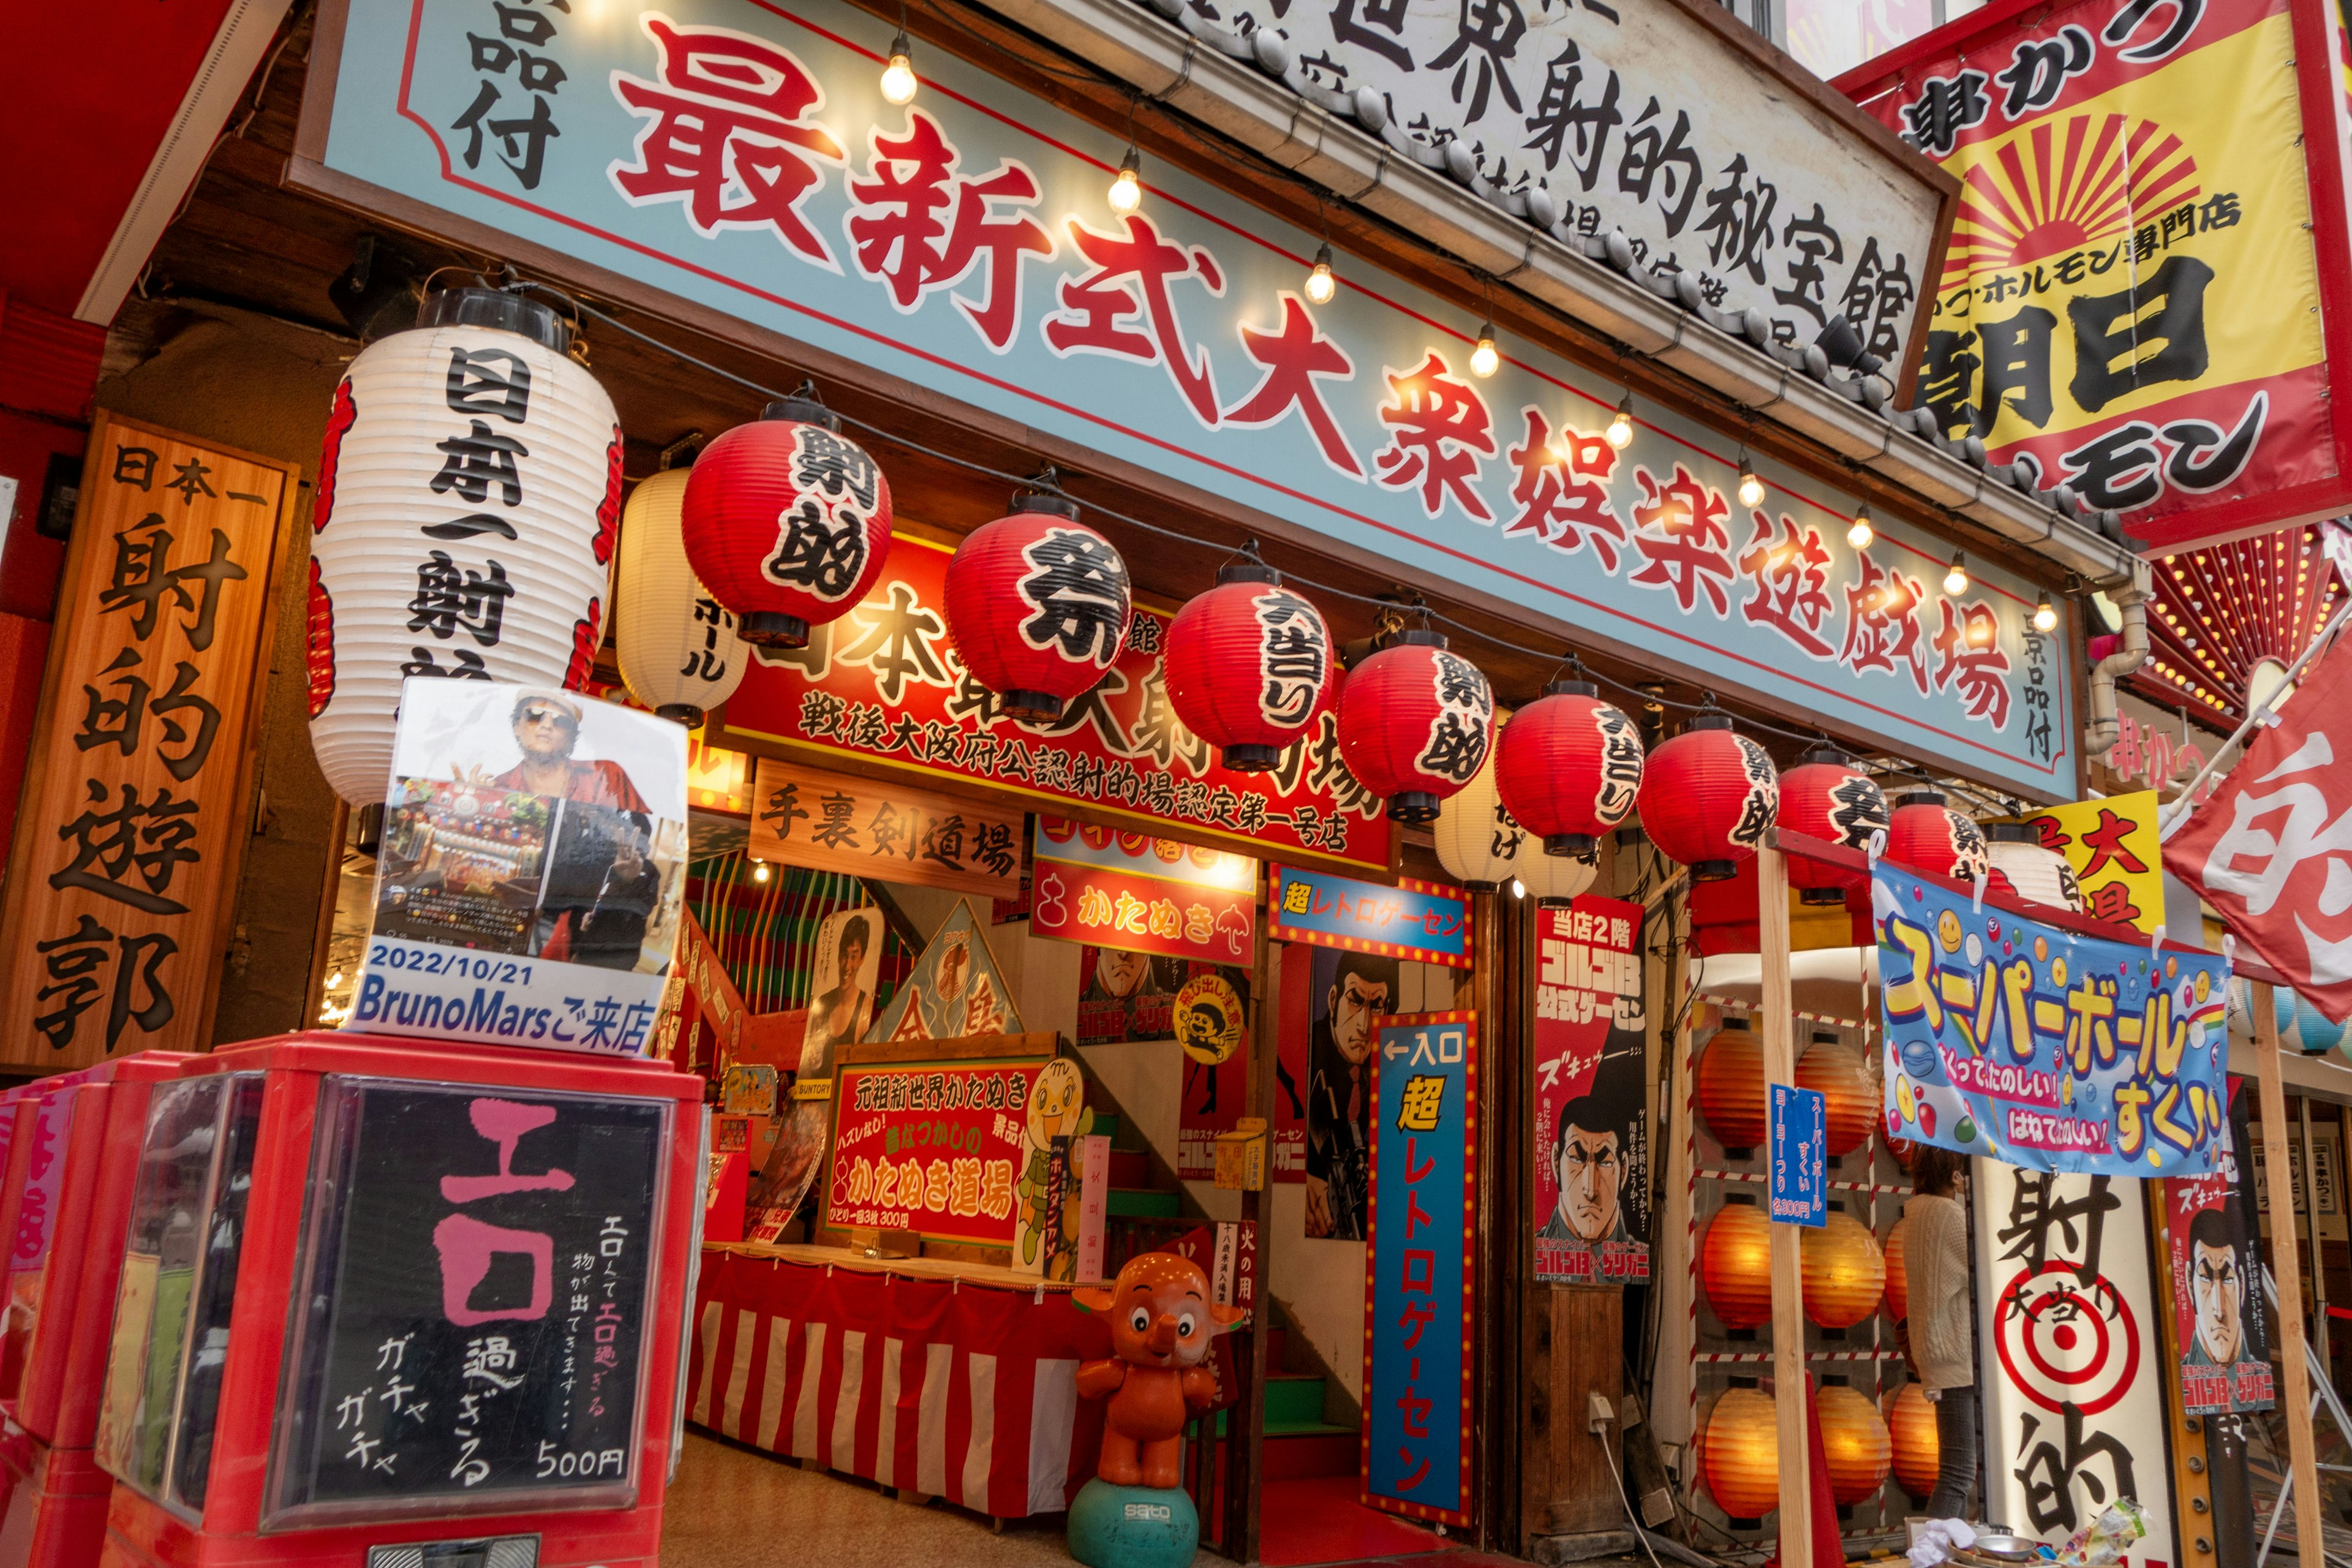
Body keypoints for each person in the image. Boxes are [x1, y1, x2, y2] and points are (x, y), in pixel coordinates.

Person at [1904, 1146, 1978, 1521]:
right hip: (1955, 1353)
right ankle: (1929, 1559)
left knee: (1955, 1471)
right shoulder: (1951, 1216)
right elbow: (1985, 1270)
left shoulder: (1917, 1214)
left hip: (1934, 1351)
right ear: (1955, 1175)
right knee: (1958, 1474)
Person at [1304, 951, 1393, 1240]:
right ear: (1333, 1000)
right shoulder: (1305, 1051)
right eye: (1355, 1001)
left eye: (1376, 1007)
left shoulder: (1389, 1065)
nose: (1365, 1026)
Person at [491, 693, 649, 811]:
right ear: (516, 727)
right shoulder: (498, 787)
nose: (546, 725)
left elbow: (649, 839)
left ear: (571, 735)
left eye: (561, 721)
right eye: (534, 715)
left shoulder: (606, 775)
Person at [1537, 1094, 1629, 1276]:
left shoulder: (1636, 1261)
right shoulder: (1531, 1256)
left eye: (1605, 1163)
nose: (1590, 1190)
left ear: (1624, 1170)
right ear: (1556, 1162)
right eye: (1576, 1159)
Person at [573, 817, 662, 970]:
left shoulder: (648, 870)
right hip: (590, 946)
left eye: (619, 830)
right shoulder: (607, 861)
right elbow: (596, 898)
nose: (613, 835)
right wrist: (591, 915)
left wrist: (629, 880)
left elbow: (646, 906)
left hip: (619, 955)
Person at [800, 914, 875, 1078]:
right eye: (844, 955)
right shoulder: (821, 1004)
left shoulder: (866, 1009)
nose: (847, 965)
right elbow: (804, 1072)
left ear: (862, 959)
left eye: (854, 956)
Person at [2187, 1202, 2247, 1368]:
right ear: (2190, 1284)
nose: (2219, 1311)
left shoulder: (2259, 1372)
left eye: (2228, 1280)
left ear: (2241, 1285)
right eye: (2205, 1278)